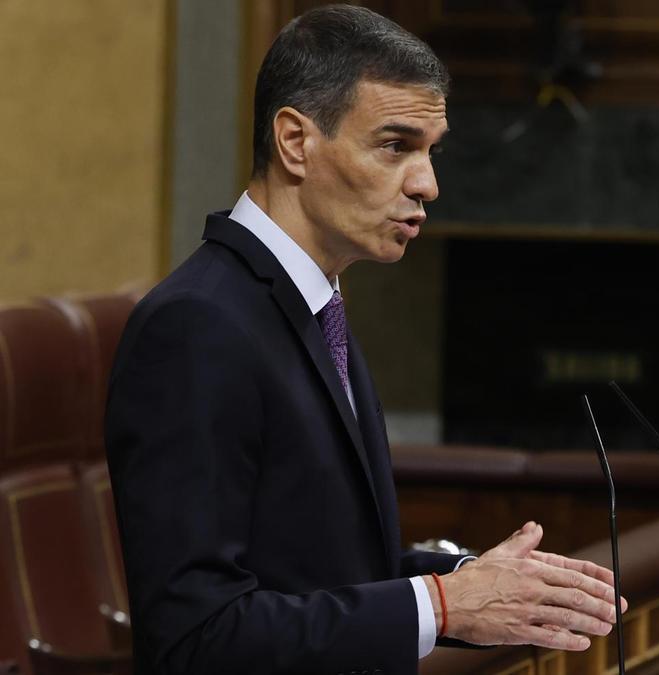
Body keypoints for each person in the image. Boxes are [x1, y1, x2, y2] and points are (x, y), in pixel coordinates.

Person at [105, 5, 621, 674]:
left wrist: (476, 582)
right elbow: (195, 636)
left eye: (431, 151)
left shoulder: (314, 306)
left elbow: (322, 569)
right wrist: (440, 604)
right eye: (395, 145)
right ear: (295, 141)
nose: (427, 184)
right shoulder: (197, 327)